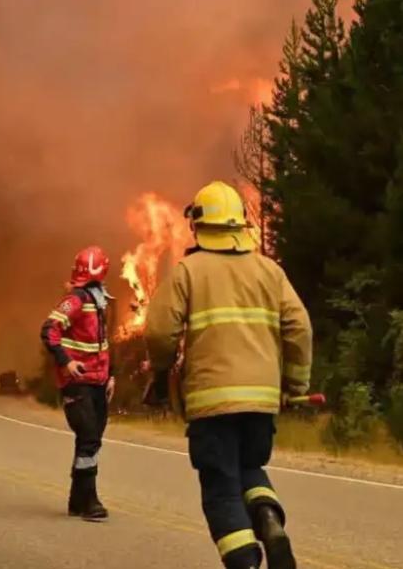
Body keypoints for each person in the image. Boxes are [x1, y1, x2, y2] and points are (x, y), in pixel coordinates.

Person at [144, 181, 312, 569]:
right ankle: (269, 518)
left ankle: (245, 563)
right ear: (239, 223)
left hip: (211, 402)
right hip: (261, 402)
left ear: (198, 225)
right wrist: (295, 383)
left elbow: (158, 332)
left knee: (220, 487)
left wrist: (162, 368)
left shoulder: (189, 271)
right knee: (250, 468)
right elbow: (299, 328)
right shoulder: (270, 271)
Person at [40, 245, 116, 521]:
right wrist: (66, 362)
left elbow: (104, 343)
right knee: (89, 439)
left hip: (97, 381)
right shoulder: (75, 300)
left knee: (90, 442)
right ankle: (90, 501)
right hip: (77, 382)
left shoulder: (98, 301)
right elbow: (49, 330)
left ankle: (76, 500)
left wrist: (111, 375)